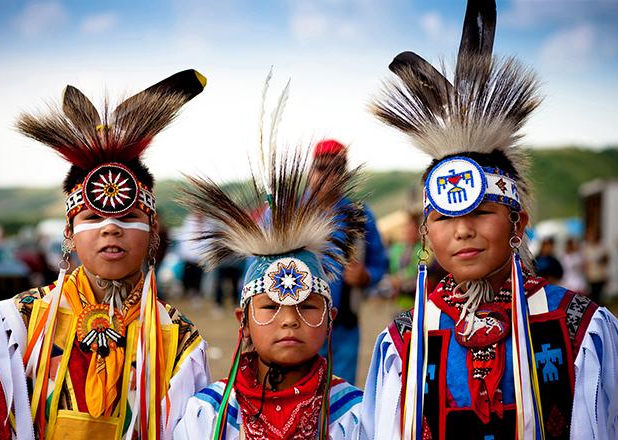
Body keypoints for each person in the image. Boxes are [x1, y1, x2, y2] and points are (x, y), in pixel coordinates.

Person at [360, 1, 618, 439]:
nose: (462, 230)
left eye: (481, 212)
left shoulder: (576, 326)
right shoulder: (404, 342)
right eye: (443, 217)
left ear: (518, 225)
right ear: (426, 232)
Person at [0, 70, 211, 439]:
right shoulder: (17, 324)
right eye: (93, 217)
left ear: (154, 231)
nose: (111, 228)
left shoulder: (179, 340)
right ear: (69, 233)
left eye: (128, 216)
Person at [174, 77, 363, 439]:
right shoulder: (208, 415)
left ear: (328, 318)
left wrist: (367, 274)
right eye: (268, 307)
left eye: (305, 306)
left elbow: (375, 264)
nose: (288, 319)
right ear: (242, 319)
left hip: (347, 320)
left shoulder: (354, 413)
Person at [309, 139, 388, 385]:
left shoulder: (360, 215)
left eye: (337, 170)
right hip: (295, 322)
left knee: (339, 394)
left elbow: (379, 263)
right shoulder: (286, 212)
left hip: (344, 326)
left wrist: (366, 276)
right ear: (311, 170)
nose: (328, 176)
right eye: (322, 168)